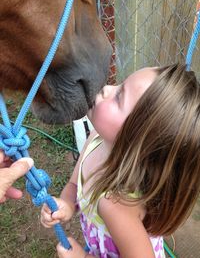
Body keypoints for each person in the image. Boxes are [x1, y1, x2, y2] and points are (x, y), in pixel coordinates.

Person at [41, 64, 200, 258]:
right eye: (120, 85)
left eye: (119, 97)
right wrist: (66, 204)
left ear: (139, 142)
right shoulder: (95, 139)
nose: (107, 88)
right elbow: (74, 184)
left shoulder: (117, 205)